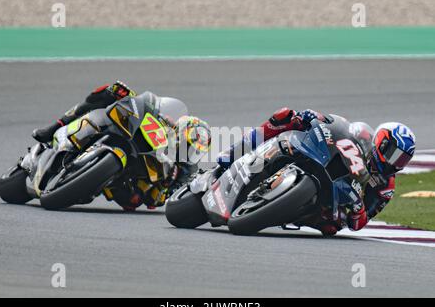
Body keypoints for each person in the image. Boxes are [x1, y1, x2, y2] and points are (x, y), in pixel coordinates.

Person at [217, 107, 416, 236]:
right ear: (382, 141)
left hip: (331, 205)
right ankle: (234, 152)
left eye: (402, 159)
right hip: (320, 157)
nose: (395, 162)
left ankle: (276, 208)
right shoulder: (362, 135)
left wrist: (358, 209)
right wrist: (314, 117)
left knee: (330, 228)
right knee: (285, 116)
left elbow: (360, 223)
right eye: (393, 153)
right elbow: (335, 124)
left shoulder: (385, 186)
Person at [33, 81, 211, 211]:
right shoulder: (167, 124)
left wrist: (165, 184)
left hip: (127, 181)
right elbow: (150, 108)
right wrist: (129, 97)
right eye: (187, 145)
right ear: (180, 131)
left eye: (193, 151)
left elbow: (157, 201)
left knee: (134, 200)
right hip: (128, 135)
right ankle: (55, 127)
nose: (187, 152)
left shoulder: (183, 171)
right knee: (111, 91)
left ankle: (92, 182)